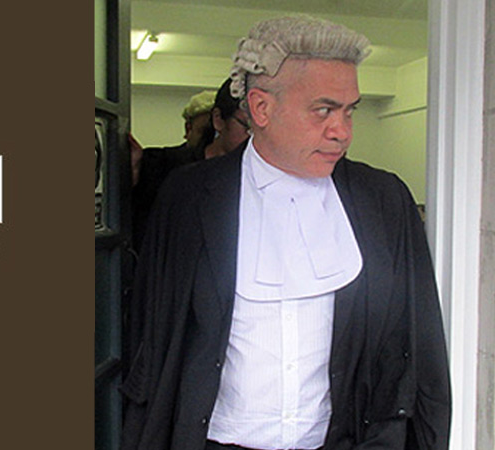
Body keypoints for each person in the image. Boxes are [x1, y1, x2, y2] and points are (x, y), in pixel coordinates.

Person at [120, 16, 450, 450]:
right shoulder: (189, 196)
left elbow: (420, 348)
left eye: (349, 110)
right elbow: (153, 341)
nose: (342, 131)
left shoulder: (383, 200)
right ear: (261, 108)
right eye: (323, 110)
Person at [132, 84, 249, 252]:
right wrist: (131, 175)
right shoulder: (163, 166)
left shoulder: (257, 176)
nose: (254, 138)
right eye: (247, 127)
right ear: (218, 120)